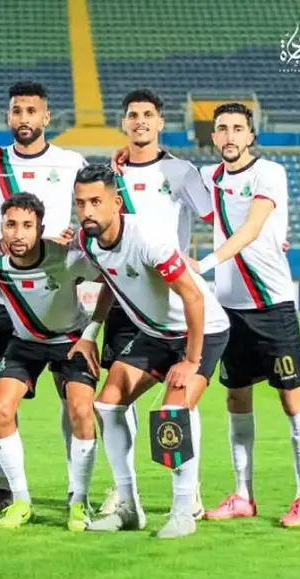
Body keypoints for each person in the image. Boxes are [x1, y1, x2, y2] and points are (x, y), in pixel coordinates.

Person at [69, 164, 230, 539]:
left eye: (96, 202)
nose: (87, 211)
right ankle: (128, 508)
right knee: (108, 405)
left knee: (172, 414)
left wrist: (191, 361)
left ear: (116, 203)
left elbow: (193, 297)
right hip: (155, 333)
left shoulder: (148, 239)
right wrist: (90, 331)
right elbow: (111, 279)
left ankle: (183, 511)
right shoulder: (89, 241)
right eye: (81, 203)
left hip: (202, 329)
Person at [88, 89, 212, 519]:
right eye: (132, 115)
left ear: (160, 122)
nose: (139, 121)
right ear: (123, 123)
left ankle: (189, 488)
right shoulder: (112, 174)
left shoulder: (180, 171)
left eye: (147, 114)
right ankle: (123, 488)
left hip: (173, 297)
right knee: (116, 398)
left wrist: (206, 259)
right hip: (126, 297)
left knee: (180, 397)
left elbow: (215, 216)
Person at [190, 103, 300, 528]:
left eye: (237, 129)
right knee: (235, 398)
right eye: (222, 128)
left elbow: (252, 228)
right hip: (230, 309)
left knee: (290, 397)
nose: (229, 136)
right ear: (213, 137)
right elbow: (166, 178)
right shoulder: (208, 177)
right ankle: (243, 495)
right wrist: (121, 158)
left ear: (250, 136)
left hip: (272, 304)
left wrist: (204, 264)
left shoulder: (269, 172)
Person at [0, 80, 88, 512]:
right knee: (2, 400)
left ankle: (76, 487)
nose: (24, 119)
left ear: (46, 117)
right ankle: (7, 487)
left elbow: (93, 210)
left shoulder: (71, 162)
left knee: (73, 398)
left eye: (31, 111)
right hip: (5, 302)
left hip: (57, 292)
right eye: (17, 111)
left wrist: (75, 238)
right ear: (9, 116)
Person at [0, 193, 100, 530]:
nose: (18, 234)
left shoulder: (66, 258)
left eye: (27, 226)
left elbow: (109, 279)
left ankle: (79, 502)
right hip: (26, 343)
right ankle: (21, 501)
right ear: (1, 227)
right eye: (11, 225)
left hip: (71, 341)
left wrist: (92, 333)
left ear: (41, 230)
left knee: (81, 411)